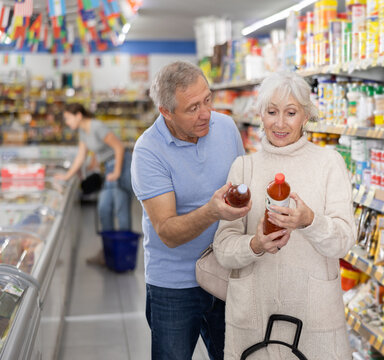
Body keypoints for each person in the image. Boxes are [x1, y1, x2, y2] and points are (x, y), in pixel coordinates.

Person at [213, 71, 356, 360]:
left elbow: (343, 241)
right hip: (255, 316)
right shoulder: (243, 168)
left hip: (314, 317)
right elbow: (223, 249)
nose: (280, 123)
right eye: (272, 112)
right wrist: (255, 245)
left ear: (306, 116)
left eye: (290, 113)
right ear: (261, 115)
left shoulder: (329, 163)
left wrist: (310, 222)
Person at [130, 61, 249, 360]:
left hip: (227, 272)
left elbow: (243, 186)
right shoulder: (148, 151)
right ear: (166, 112)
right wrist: (212, 211)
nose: (206, 113)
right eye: (193, 107)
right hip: (175, 286)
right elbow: (167, 231)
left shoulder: (226, 127)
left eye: (207, 99)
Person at [55, 103, 132, 264]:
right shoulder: (83, 132)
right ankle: (108, 253)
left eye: (68, 118)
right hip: (109, 169)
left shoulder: (96, 126)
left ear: (79, 115)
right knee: (104, 209)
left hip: (121, 165)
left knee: (121, 209)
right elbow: (80, 157)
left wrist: (117, 171)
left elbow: (119, 147)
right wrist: (67, 176)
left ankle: (124, 255)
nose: (67, 123)